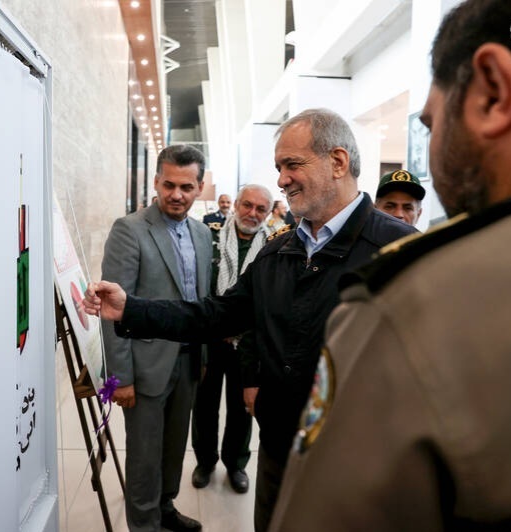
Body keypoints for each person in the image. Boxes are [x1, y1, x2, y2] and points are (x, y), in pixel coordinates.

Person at [84, 108, 416, 532]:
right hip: (278, 449)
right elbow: (216, 314)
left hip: (355, 462)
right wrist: (131, 309)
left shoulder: (400, 252)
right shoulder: (279, 251)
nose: (282, 180)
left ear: (337, 162)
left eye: (292, 164)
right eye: (279, 168)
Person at [269, 2, 511, 530]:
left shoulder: (407, 295)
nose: (283, 180)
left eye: (432, 122)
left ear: (493, 92)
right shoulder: (283, 246)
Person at [101, 144, 212, 532]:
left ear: (200, 187)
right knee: (145, 455)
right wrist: (121, 377)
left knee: (173, 446)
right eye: (169, 185)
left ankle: (165, 508)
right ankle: (144, 524)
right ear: (156, 182)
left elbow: (201, 301)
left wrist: (202, 356)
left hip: (189, 360)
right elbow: (111, 310)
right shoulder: (129, 230)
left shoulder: (203, 234)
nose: (176, 195)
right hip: (145, 366)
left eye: (186, 187)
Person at [191, 184, 272, 494]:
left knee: (242, 408)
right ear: (236, 205)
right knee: (204, 404)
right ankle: (205, 461)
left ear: (268, 213)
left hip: (248, 344)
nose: (252, 213)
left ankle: (236, 464)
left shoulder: (273, 246)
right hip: (210, 340)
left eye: (260, 209)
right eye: (247, 205)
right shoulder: (209, 238)